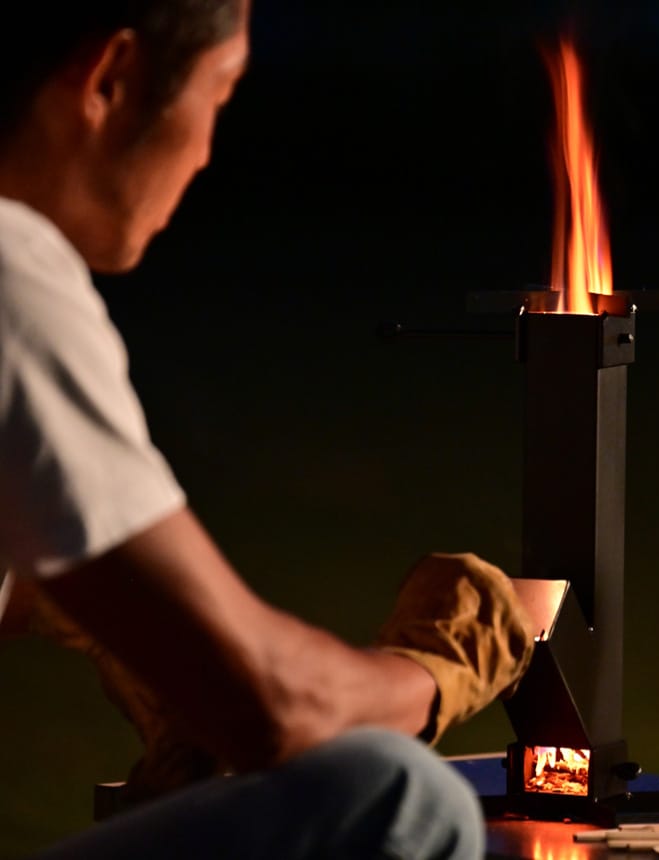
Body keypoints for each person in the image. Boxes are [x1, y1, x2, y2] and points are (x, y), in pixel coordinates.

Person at [0, 2, 534, 858]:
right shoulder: (11, 278)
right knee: (399, 798)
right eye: (220, 93)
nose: (209, 152)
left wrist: (135, 640)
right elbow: (274, 707)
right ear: (110, 79)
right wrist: (437, 671)